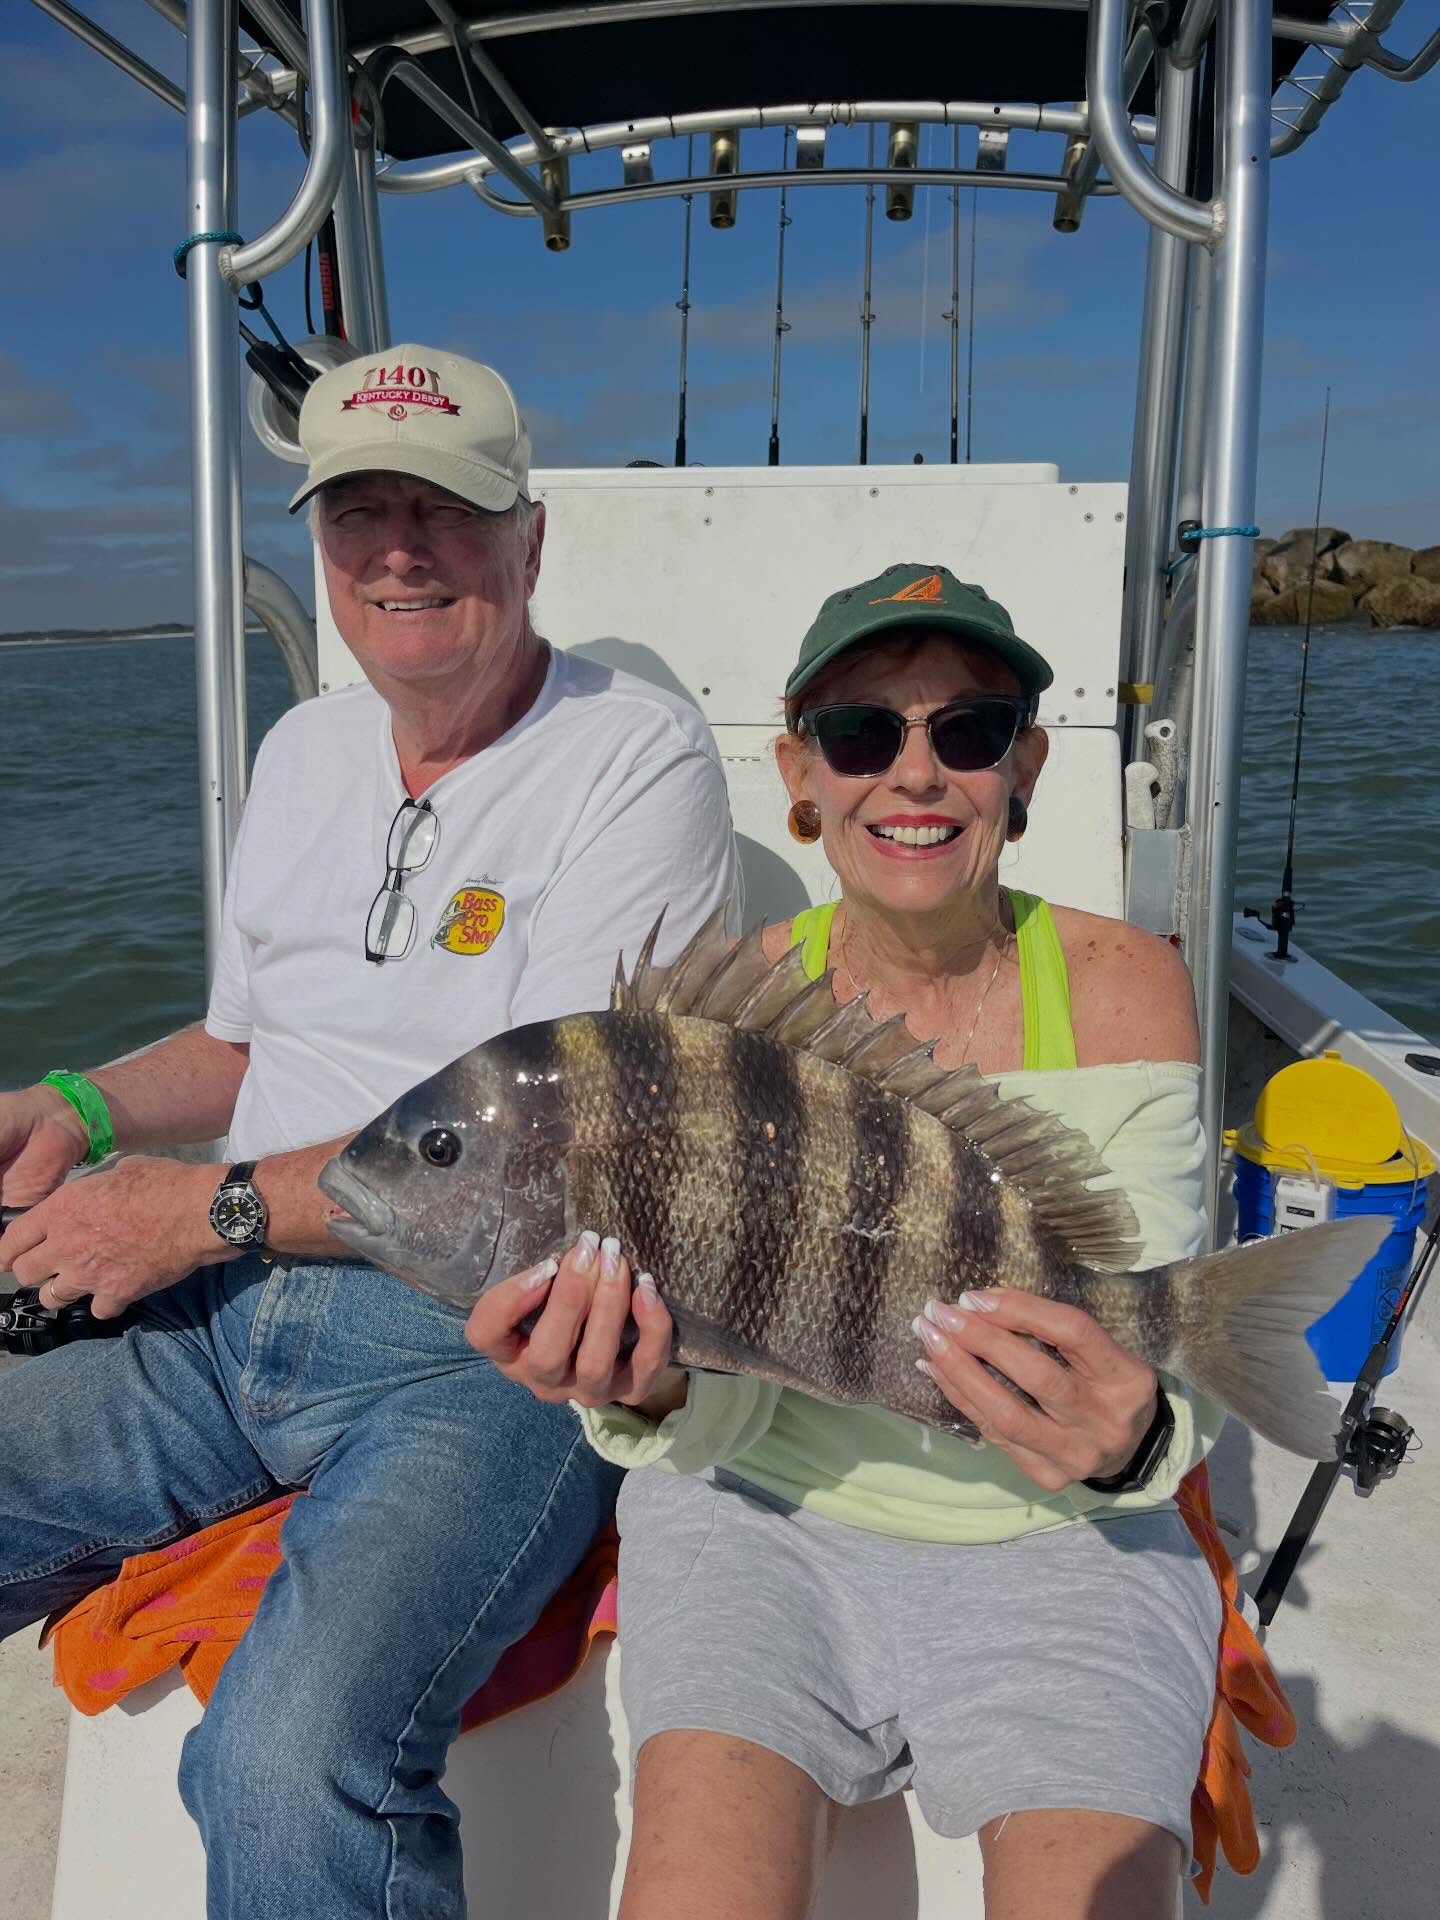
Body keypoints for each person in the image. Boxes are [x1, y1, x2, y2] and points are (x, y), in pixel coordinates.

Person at [0, 347, 739, 1920]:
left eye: (444, 510)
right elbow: (241, 1043)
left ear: (528, 540)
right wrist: (76, 1109)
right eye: (357, 514)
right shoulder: (302, 750)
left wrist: (195, 1215)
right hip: (211, 1324)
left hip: (481, 1354)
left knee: (282, 1760)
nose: (398, 549)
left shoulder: (637, 757)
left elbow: (556, 1151)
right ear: (322, 550)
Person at [469, 563, 1225, 1920]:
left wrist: (1132, 1440)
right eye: (865, 733)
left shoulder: (1127, 986)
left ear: (1026, 764)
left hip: (1064, 1538)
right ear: (802, 775)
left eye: (970, 730)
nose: (918, 774)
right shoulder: (727, 1026)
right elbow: (723, 1382)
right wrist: (642, 1386)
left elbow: (1152, 1355)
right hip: (763, 1517)